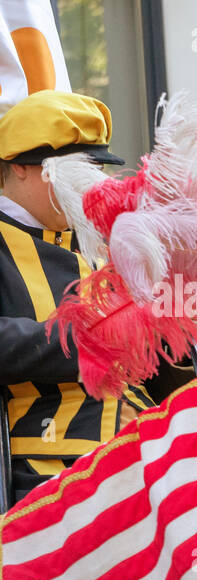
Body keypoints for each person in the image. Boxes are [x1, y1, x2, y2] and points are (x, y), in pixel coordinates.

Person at [0, 90, 152, 507]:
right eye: (76, 170)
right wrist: (90, 335)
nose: (92, 185)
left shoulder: (99, 241)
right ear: (21, 166)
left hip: (133, 446)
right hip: (36, 467)